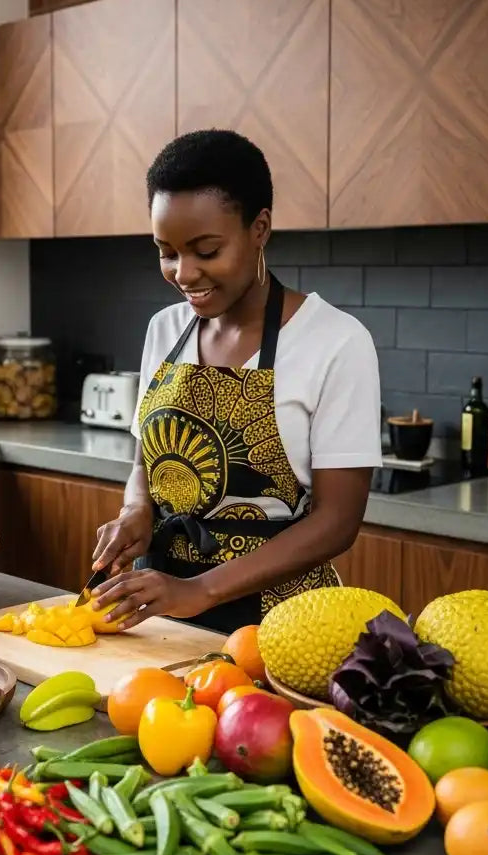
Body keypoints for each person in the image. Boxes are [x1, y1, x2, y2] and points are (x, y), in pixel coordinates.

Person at [90, 129, 382, 635]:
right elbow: (144, 463)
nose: (184, 273)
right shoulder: (165, 329)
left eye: (206, 250)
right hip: (158, 609)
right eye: (167, 252)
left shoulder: (335, 341)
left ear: (260, 228)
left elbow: (338, 522)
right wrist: (136, 511)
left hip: (279, 624)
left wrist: (200, 590)